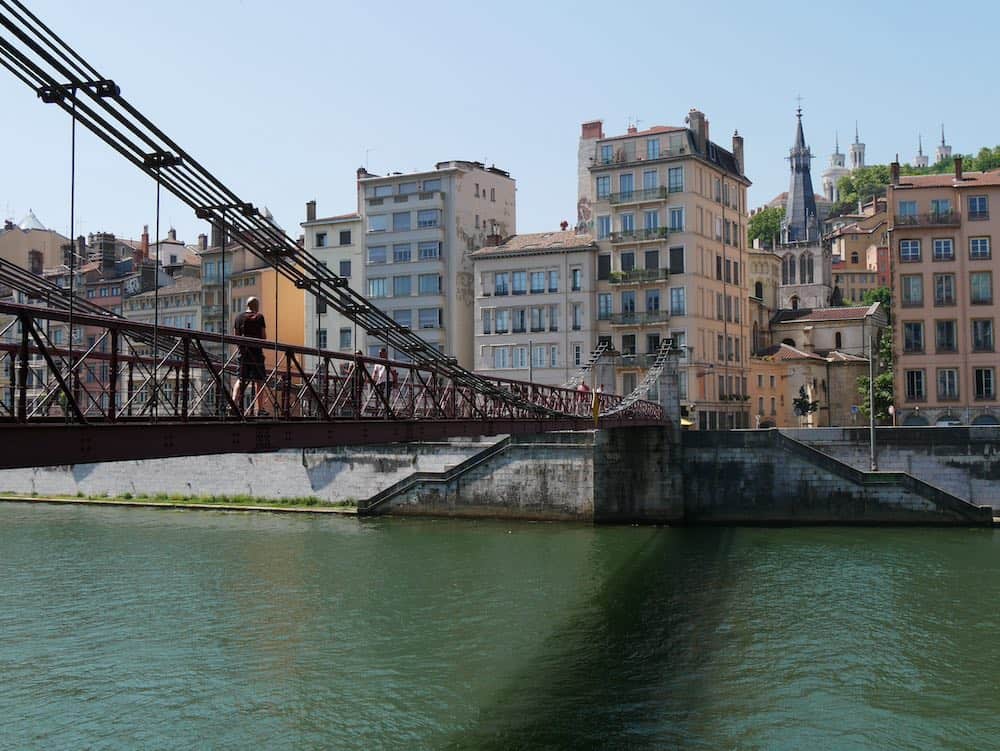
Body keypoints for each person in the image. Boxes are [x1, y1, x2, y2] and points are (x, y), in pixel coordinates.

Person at [231, 297, 267, 416]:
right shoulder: (260, 317)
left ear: (247, 305)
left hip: (243, 354)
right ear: (256, 306)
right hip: (256, 354)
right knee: (259, 381)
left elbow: (235, 337)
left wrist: (242, 347)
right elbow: (263, 337)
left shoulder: (238, 318)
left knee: (241, 379)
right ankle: (260, 409)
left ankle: (233, 404)